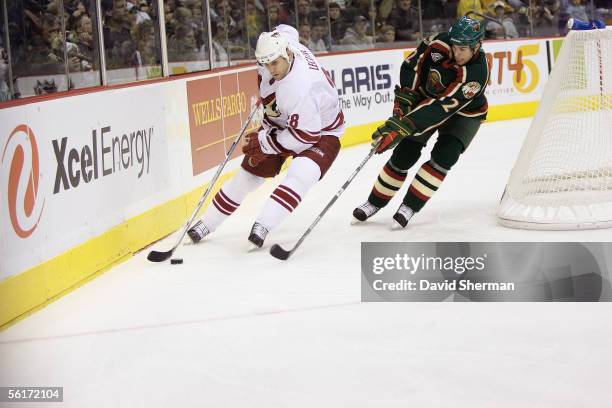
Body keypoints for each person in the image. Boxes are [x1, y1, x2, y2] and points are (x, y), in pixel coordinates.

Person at [188, 25, 345, 248]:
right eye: (265, 63)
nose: (271, 69)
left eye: (274, 63)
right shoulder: (283, 44)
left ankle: (263, 224)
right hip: (281, 123)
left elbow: (306, 137)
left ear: (288, 54)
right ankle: (207, 222)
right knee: (247, 176)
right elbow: (287, 29)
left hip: (322, 131)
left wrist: (266, 142)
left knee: (302, 173)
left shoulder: (300, 87)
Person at [352, 16, 490, 228]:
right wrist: (406, 98)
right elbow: (411, 66)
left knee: (445, 156)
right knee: (405, 153)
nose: (458, 52)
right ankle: (374, 202)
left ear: (477, 46)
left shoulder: (477, 72)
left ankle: (410, 206)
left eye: (464, 49)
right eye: (456, 46)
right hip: (427, 101)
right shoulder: (437, 44)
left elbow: (442, 107)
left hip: (464, 113)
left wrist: (404, 125)